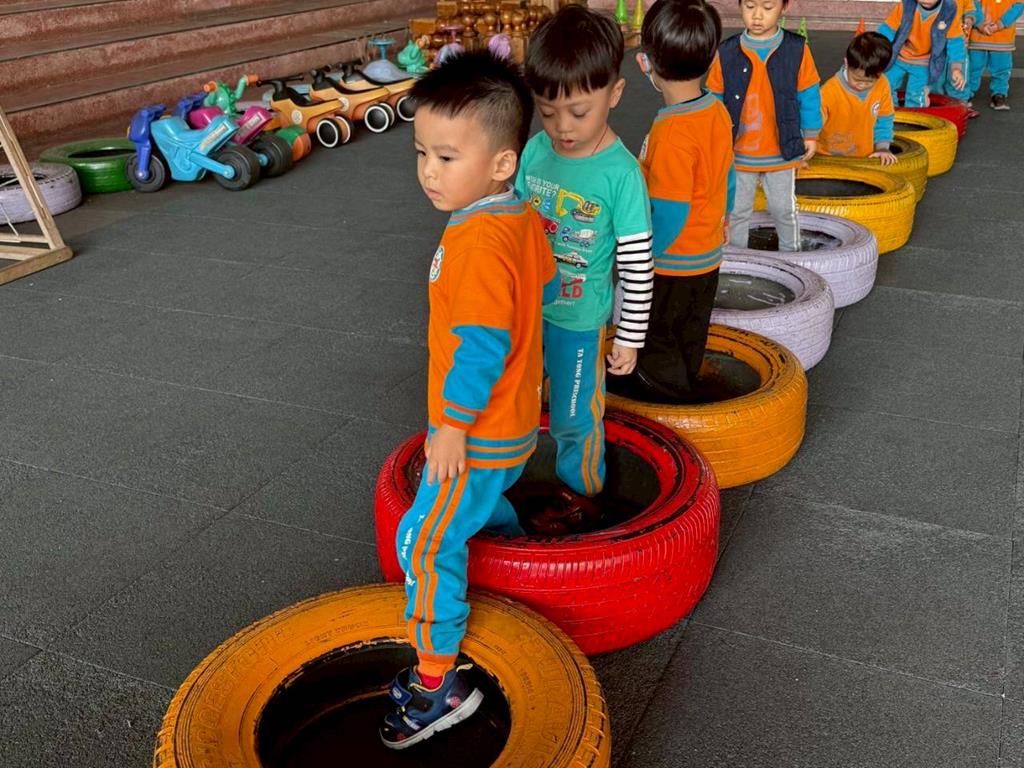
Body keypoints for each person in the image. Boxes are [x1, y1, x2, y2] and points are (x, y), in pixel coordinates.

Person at [381, 49, 556, 750]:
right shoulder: (516, 217)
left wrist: (451, 427)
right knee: (480, 500)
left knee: (420, 542)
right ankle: (515, 541)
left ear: (502, 162)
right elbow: (543, 283)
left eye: (448, 157)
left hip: (478, 433)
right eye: (422, 153)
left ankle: (438, 682)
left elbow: (481, 347)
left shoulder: (479, 240)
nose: (429, 171)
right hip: (513, 425)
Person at [516, 4, 655, 502]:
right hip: (524, 315)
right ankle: (507, 487)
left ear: (614, 94)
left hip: (579, 322)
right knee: (514, 406)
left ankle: (585, 499)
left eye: (578, 112)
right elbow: (510, 226)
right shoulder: (534, 151)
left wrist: (630, 336)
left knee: (575, 417)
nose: (562, 127)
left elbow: (637, 266)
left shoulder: (622, 175)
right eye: (547, 111)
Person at [614, 0, 735, 402]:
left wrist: (640, 257)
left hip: (672, 263)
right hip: (708, 254)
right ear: (712, 59)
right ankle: (687, 381)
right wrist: (724, 216)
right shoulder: (716, 109)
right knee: (691, 329)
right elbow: (728, 173)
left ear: (644, 62)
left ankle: (667, 401)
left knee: (658, 336)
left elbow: (670, 210)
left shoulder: (671, 132)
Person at [706, 0, 823, 252]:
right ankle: (738, 258)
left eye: (767, 8)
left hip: (781, 150)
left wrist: (811, 134)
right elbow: (714, 96)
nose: (757, 16)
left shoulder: (797, 49)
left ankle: (792, 255)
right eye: (749, 7)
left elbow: (809, 94)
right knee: (737, 211)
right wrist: (713, 137)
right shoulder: (726, 52)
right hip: (739, 152)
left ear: (784, 7)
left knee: (783, 209)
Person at [819, 32, 899, 165]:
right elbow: (812, 124)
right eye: (857, 79)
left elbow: (884, 119)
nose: (862, 85)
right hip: (827, 157)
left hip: (864, 158)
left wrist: (883, 148)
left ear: (882, 71)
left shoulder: (883, 84)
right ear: (846, 63)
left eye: (869, 81)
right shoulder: (828, 92)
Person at [878, 0, 967, 108]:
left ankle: (916, 113)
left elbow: (955, 41)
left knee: (916, 93)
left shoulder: (948, 11)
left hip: (925, 61)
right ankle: (889, 110)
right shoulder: (905, 5)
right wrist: (875, 48)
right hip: (899, 56)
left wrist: (956, 68)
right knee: (886, 84)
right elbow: (887, 29)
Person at [966, 0, 1023, 109]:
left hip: (1002, 38)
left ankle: (999, 94)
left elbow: (1019, 6)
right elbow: (972, 4)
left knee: (1002, 68)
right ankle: (965, 94)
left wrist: (1000, 24)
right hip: (978, 37)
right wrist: (980, 24)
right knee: (973, 68)